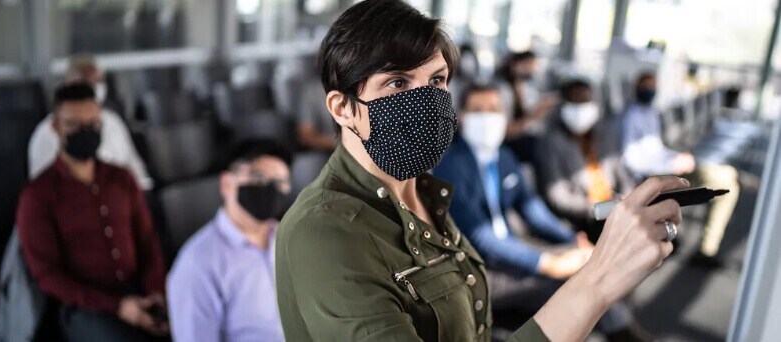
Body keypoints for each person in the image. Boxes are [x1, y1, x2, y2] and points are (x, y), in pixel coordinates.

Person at [276, 1, 687, 341]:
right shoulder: (325, 233)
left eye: (437, 79)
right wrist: (599, 277)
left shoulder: (424, 192)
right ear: (343, 108)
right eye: (398, 83)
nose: (426, 100)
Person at [433, 84, 649, 340]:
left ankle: (621, 330)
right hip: (475, 270)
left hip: (511, 250)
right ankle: (626, 335)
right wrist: (548, 263)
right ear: (462, 118)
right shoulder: (450, 165)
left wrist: (570, 239)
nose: (487, 117)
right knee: (572, 281)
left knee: (586, 261)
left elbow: (532, 208)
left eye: (493, 109)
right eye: (478, 110)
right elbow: (480, 237)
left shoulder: (504, 157)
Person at [15, 83, 167, 341]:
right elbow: (48, 275)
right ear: (56, 127)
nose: (86, 131)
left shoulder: (122, 179)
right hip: (83, 306)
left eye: (93, 124)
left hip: (136, 291)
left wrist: (155, 291)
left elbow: (147, 241)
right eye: (74, 124)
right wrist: (116, 307)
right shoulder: (38, 196)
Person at [166, 141, 292, 342]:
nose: (269, 189)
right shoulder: (198, 262)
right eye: (258, 177)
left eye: (279, 183)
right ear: (226, 183)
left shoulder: (291, 239)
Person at [622, 71, 740, 267]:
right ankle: (707, 249)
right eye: (647, 86)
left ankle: (707, 248)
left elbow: (656, 150)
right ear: (637, 88)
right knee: (727, 184)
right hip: (654, 177)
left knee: (728, 176)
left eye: (653, 86)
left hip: (667, 168)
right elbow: (632, 160)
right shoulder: (630, 117)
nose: (651, 90)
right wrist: (670, 164)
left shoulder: (649, 113)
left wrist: (675, 157)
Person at [533, 77, 635, 242]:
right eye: (575, 101)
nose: (581, 107)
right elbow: (557, 195)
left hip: (614, 203)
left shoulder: (603, 134)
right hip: (585, 216)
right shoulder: (551, 142)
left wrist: (628, 197)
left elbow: (620, 171)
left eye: (585, 100)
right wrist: (596, 208)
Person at [28, 55, 153, 189]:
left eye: (98, 81)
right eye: (87, 81)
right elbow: (43, 184)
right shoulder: (48, 132)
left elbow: (132, 163)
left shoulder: (113, 120)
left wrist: (142, 189)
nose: (95, 87)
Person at [499, 51, 558, 165]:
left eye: (532, 65)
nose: (531, 69)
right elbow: (506, 132)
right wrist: (533, 117)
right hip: (509, 142)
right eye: (526, 65)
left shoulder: (528, 89)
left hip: (525, 137)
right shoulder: (502, 91)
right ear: (514, 64)